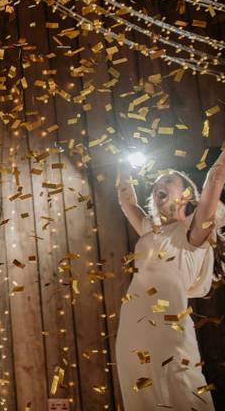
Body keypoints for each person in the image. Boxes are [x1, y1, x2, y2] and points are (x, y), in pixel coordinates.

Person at [116, 155, 225, 411]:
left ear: (186, 194)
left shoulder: (194, 231)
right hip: (132, 331)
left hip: (169, 327)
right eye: (155, 184)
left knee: (182, 390)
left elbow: (216, 177)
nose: (157, 186)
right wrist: (121, 161)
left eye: (166, 181)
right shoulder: (148, 231)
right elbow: (125, 200)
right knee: (141, 398)